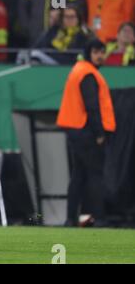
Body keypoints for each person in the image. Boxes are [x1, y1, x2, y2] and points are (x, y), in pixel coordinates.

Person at [57, 39, 116, 227]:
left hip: (75, 130)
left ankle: (70, 219)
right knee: (95, 175)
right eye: (97, 52)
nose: (101, 55)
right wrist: (99, 133)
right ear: (89, 52)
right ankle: (99, 218)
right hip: (86, 131)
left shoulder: (78, 70)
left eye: (102, 52)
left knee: (79, 176)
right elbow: (92, 107)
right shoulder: (88, 74)